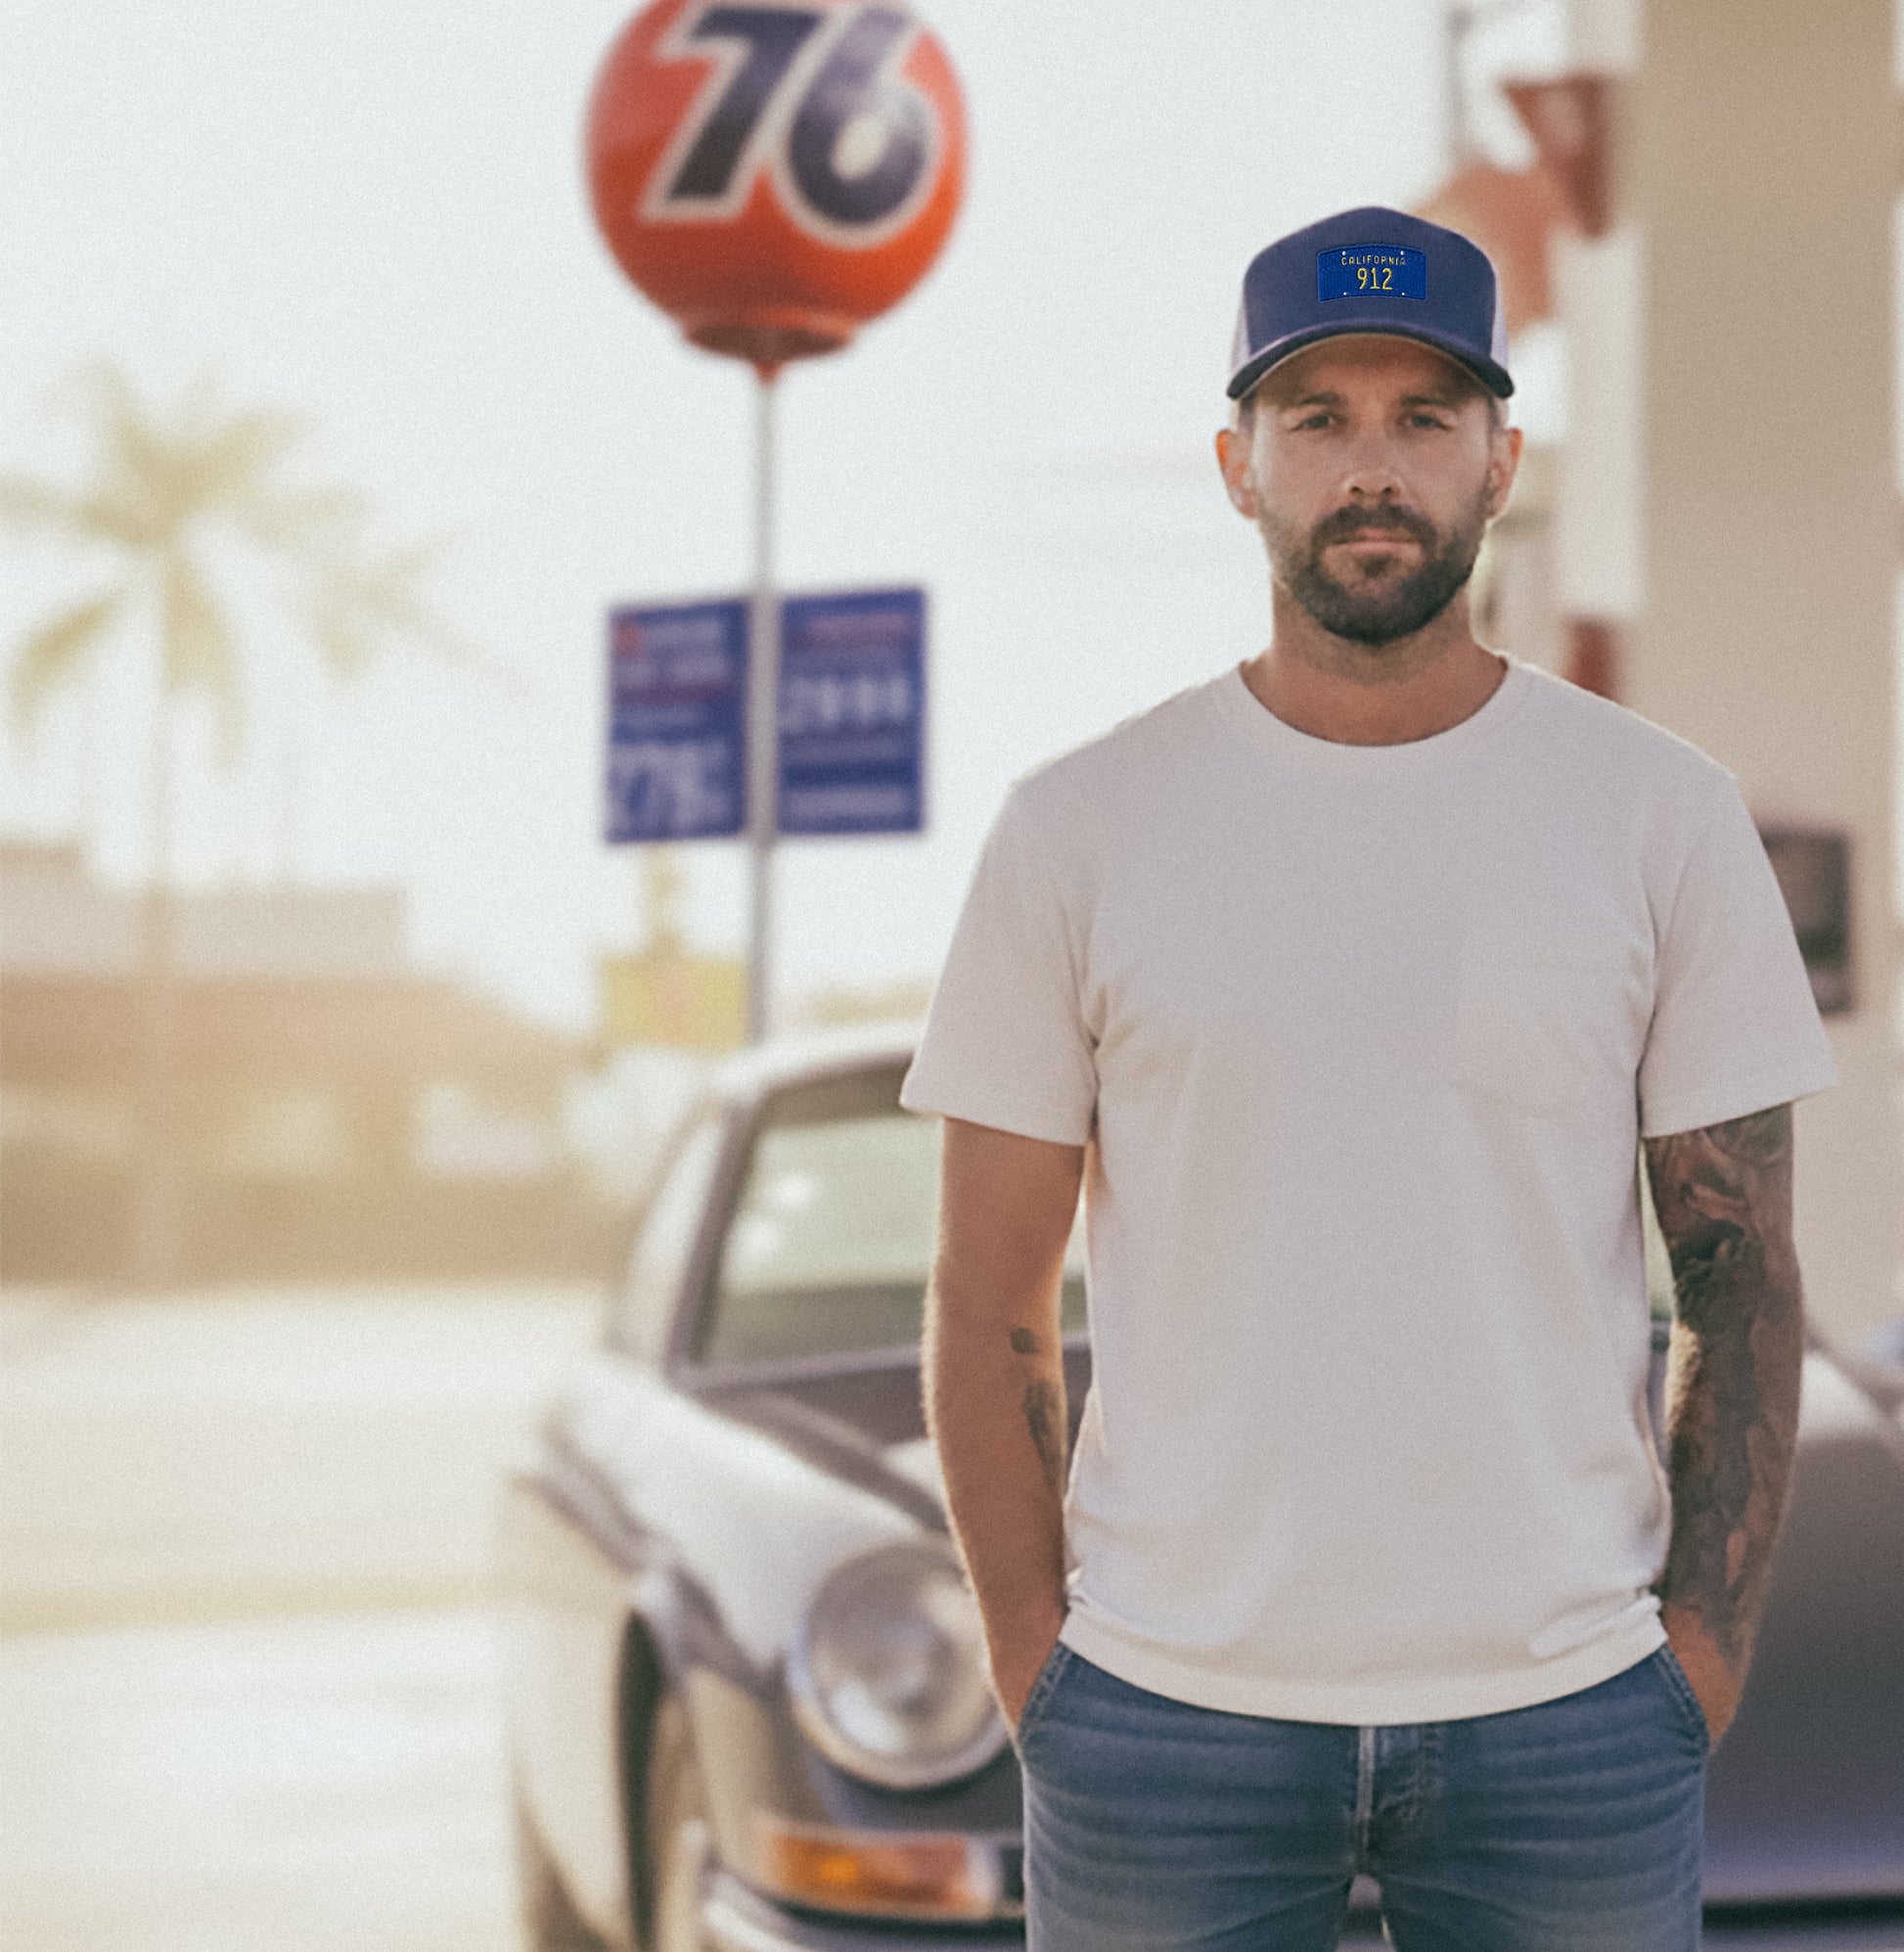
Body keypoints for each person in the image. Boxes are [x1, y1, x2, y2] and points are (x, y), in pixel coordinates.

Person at [898, 205, 1838, 1951]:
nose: (1371, 468)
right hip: (1160, 1722)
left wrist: (1684, 1672)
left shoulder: (1657, 816)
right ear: (1235, 465)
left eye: (1421, 417)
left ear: (1499, 458)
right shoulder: (1079, 828)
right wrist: (1049, 1684)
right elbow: (984, 1302)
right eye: (1316, 418)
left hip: (1566, 1725)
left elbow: (1738, 1270)